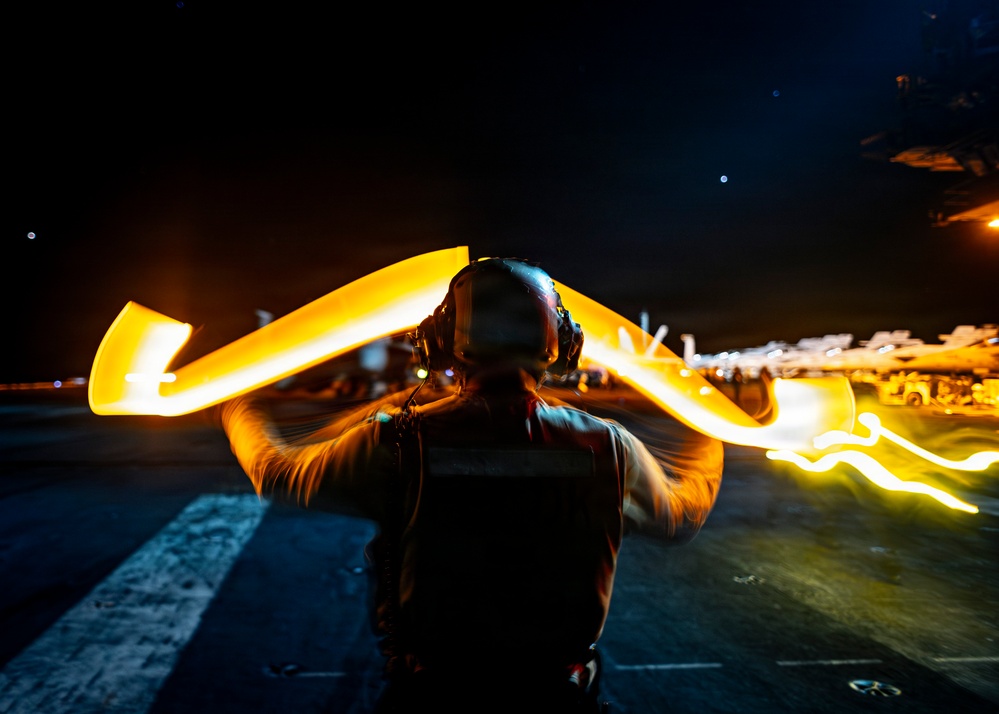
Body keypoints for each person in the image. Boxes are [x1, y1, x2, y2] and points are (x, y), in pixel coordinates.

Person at [218, 257, 724, 713]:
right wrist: (715, 435)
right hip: (557, 698)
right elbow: (680, 518)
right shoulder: (609, 446)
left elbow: (278, 473)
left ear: (439, 340)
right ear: (563, 343)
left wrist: (236, 405)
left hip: (435, 696)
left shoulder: (397, 439)